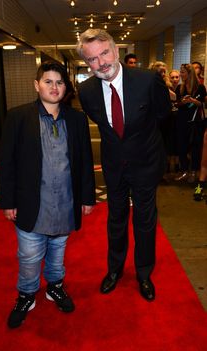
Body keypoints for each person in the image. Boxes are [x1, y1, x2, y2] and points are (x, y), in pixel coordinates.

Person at [0, 62, 95, 328]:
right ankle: (26, 294)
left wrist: (87, 197)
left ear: (67, 87)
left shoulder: (76, 119)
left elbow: (85, 160)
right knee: (29, 255)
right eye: (48, 81)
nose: (54, 87)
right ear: (36, 85)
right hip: (31, 202)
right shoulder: (18, 117)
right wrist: (8, 201)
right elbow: (7, 162)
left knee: (58, 249)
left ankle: (55, 286)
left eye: (60, 82)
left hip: (65, 201)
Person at [76, 29, 171, 302]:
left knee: (145, 219)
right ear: (87, 62)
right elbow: (105, 127)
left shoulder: (147, 80)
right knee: (115, 219)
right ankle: (115, 270)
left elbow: (162, 115)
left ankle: (144, 273)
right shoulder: (86, 91)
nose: (101, 62)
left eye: (104, 53)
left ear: (116, 51)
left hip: (145, 163)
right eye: (93, 59)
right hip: (114, 166)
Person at [174, 63, 206, 183]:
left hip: (195, 121)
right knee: (182, 146)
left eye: (182, 72)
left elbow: (201, 103)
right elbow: (176, 104)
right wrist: (182, 102)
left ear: (189, 73)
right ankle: (184, 170)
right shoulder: (179, 88)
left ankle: (193, 171)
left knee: (195, 147)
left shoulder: (200, 87)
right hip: (181, 120)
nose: (181, 75)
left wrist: (192, 100)